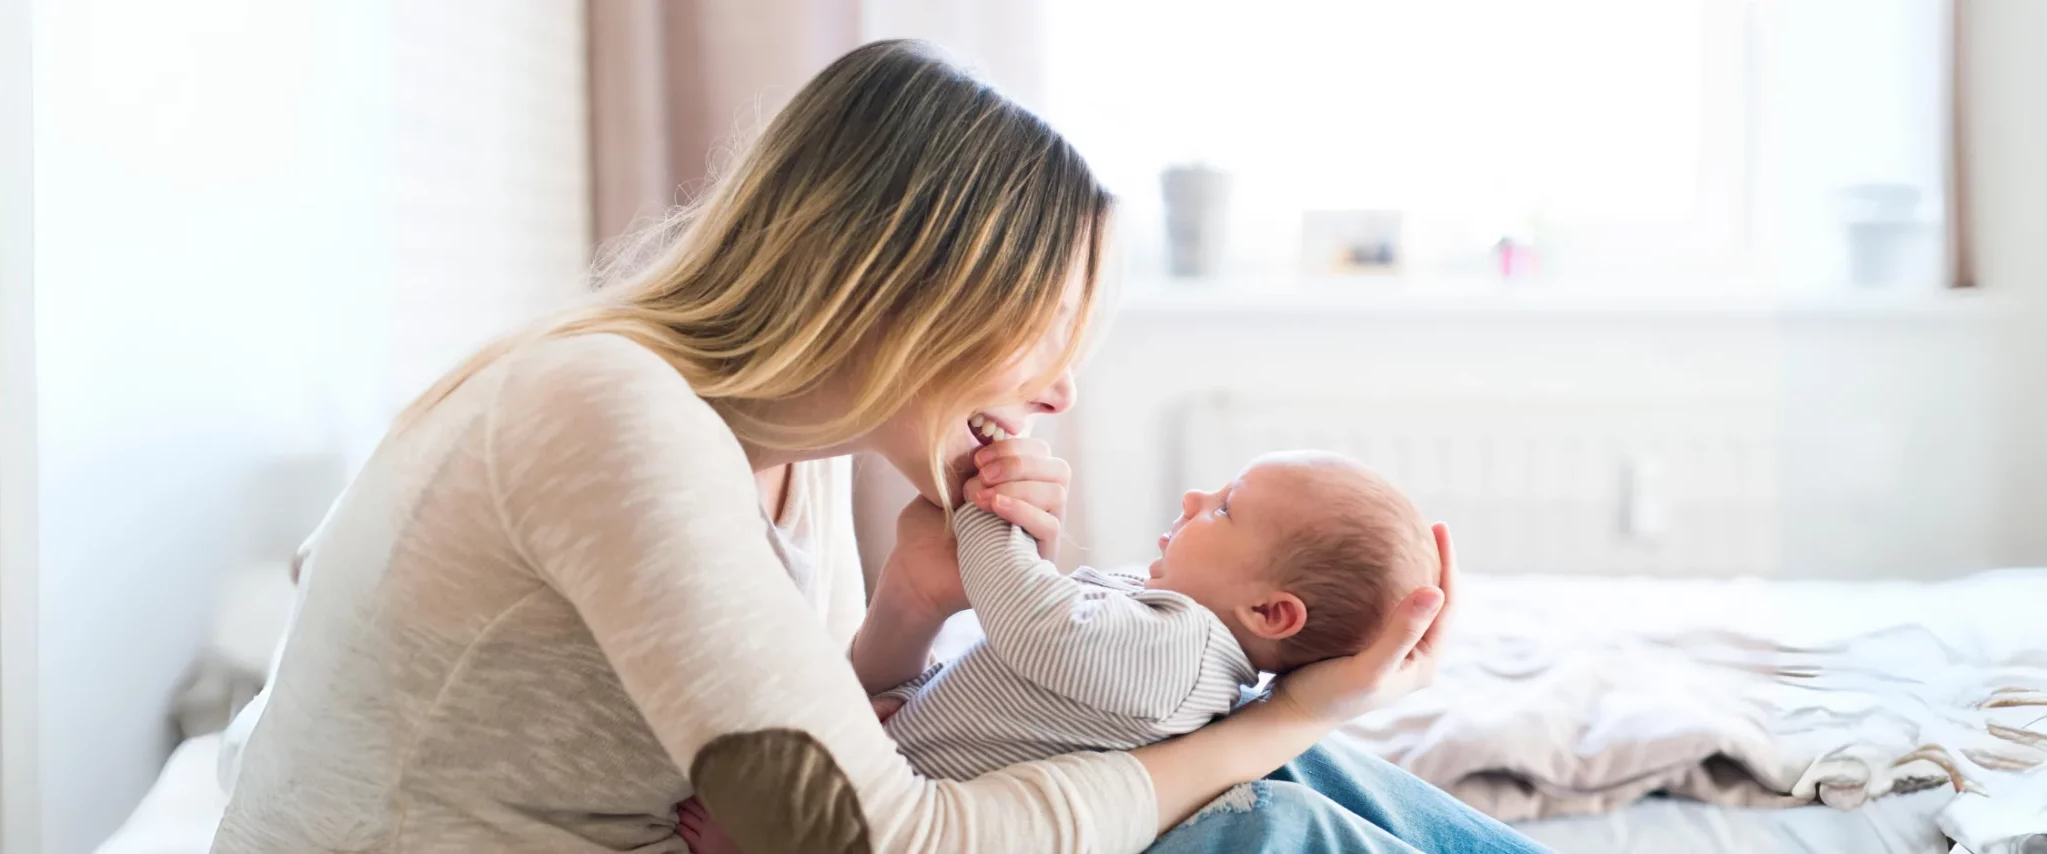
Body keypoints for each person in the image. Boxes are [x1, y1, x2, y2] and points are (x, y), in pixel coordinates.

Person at [215, 38, 1547, 854]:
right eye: (1042, 335)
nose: (1062, 391)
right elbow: (868, 835)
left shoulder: (794, 454)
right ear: (915, 294)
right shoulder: (607, 414)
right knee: (1257, 794)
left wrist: (910, 608)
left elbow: (777, 746)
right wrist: (1271, 726)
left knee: (1275, 753)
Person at [875, 451, 1438, 780]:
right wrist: (919, 695)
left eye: (1224, 508)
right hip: (897, 763)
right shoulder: (1168, 618)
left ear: (1268, 611)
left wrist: (991, 512)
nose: (1194, 498)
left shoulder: (1181, 656)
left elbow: (1034, 623)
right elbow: (1011, 680)